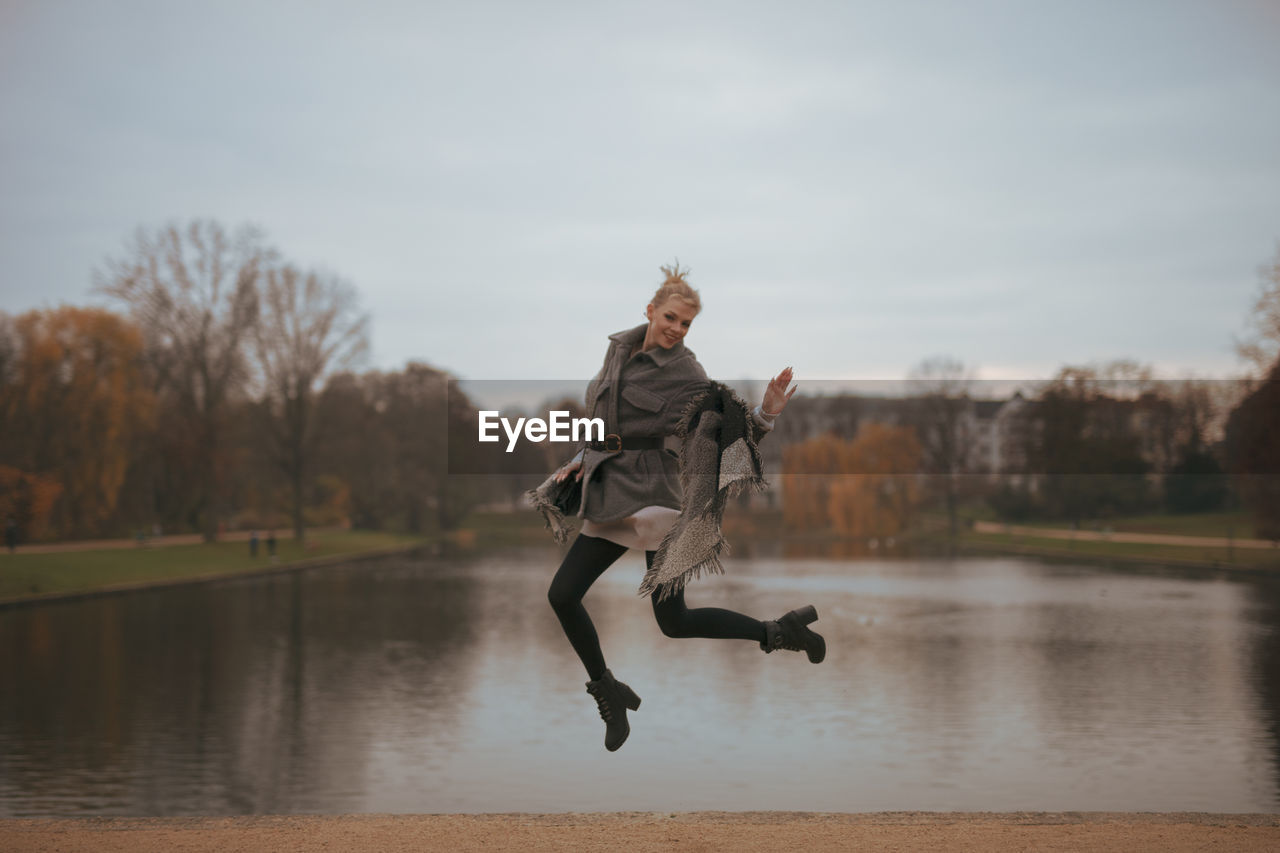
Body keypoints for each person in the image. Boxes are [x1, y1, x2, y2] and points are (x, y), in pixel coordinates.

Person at [544, 263, 825, 752]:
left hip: (653, 503)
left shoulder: (687, 371)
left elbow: (723, 429)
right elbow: (605, 426)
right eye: (671, 317)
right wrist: (576, 461)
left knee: (653, 617)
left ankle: (778, 633)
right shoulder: (617, 354)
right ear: (650, 310)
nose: (676, 329)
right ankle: (609, 688)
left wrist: (765, 415)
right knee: (577, 599)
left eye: (686, 323)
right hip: (612, 496)